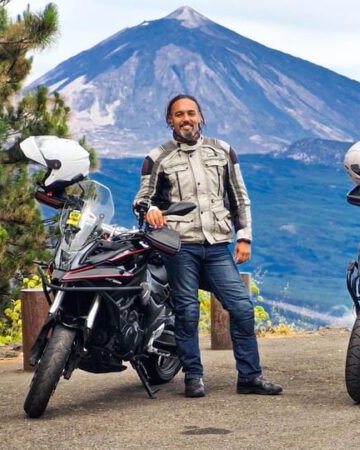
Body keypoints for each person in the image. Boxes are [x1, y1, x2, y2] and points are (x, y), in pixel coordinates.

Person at [133, 94, 282, 398]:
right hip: (179, 246)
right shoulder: (157, 157)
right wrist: (150, 211)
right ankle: (193, 377)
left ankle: (250, 377)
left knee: (241, 308)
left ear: (200, 116)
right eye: (179, 114)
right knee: (187, 311)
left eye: (191, 113)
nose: (186, 119)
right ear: (170, 120)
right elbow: (141, 200)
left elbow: (240, 197)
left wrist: (244, 237)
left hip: (217, 247)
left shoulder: (223, 151)